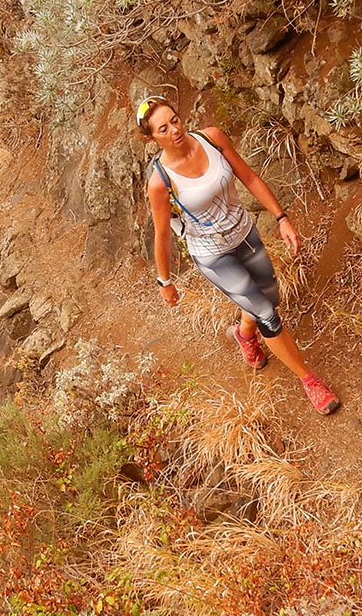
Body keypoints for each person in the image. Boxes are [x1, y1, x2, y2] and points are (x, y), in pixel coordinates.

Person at [138, 95, 340, 415]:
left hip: (245, 234)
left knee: (269, 300)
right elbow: (162, 234)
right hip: (213, 254)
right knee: (268, 315)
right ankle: (310, 382)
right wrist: (165, 280)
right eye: (163, 128)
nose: (175, 129)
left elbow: (249, 177)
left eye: (175, 120)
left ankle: (245, 336)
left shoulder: (211, 138)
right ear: (151, 139)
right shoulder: (160, 182)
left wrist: (281, 217)